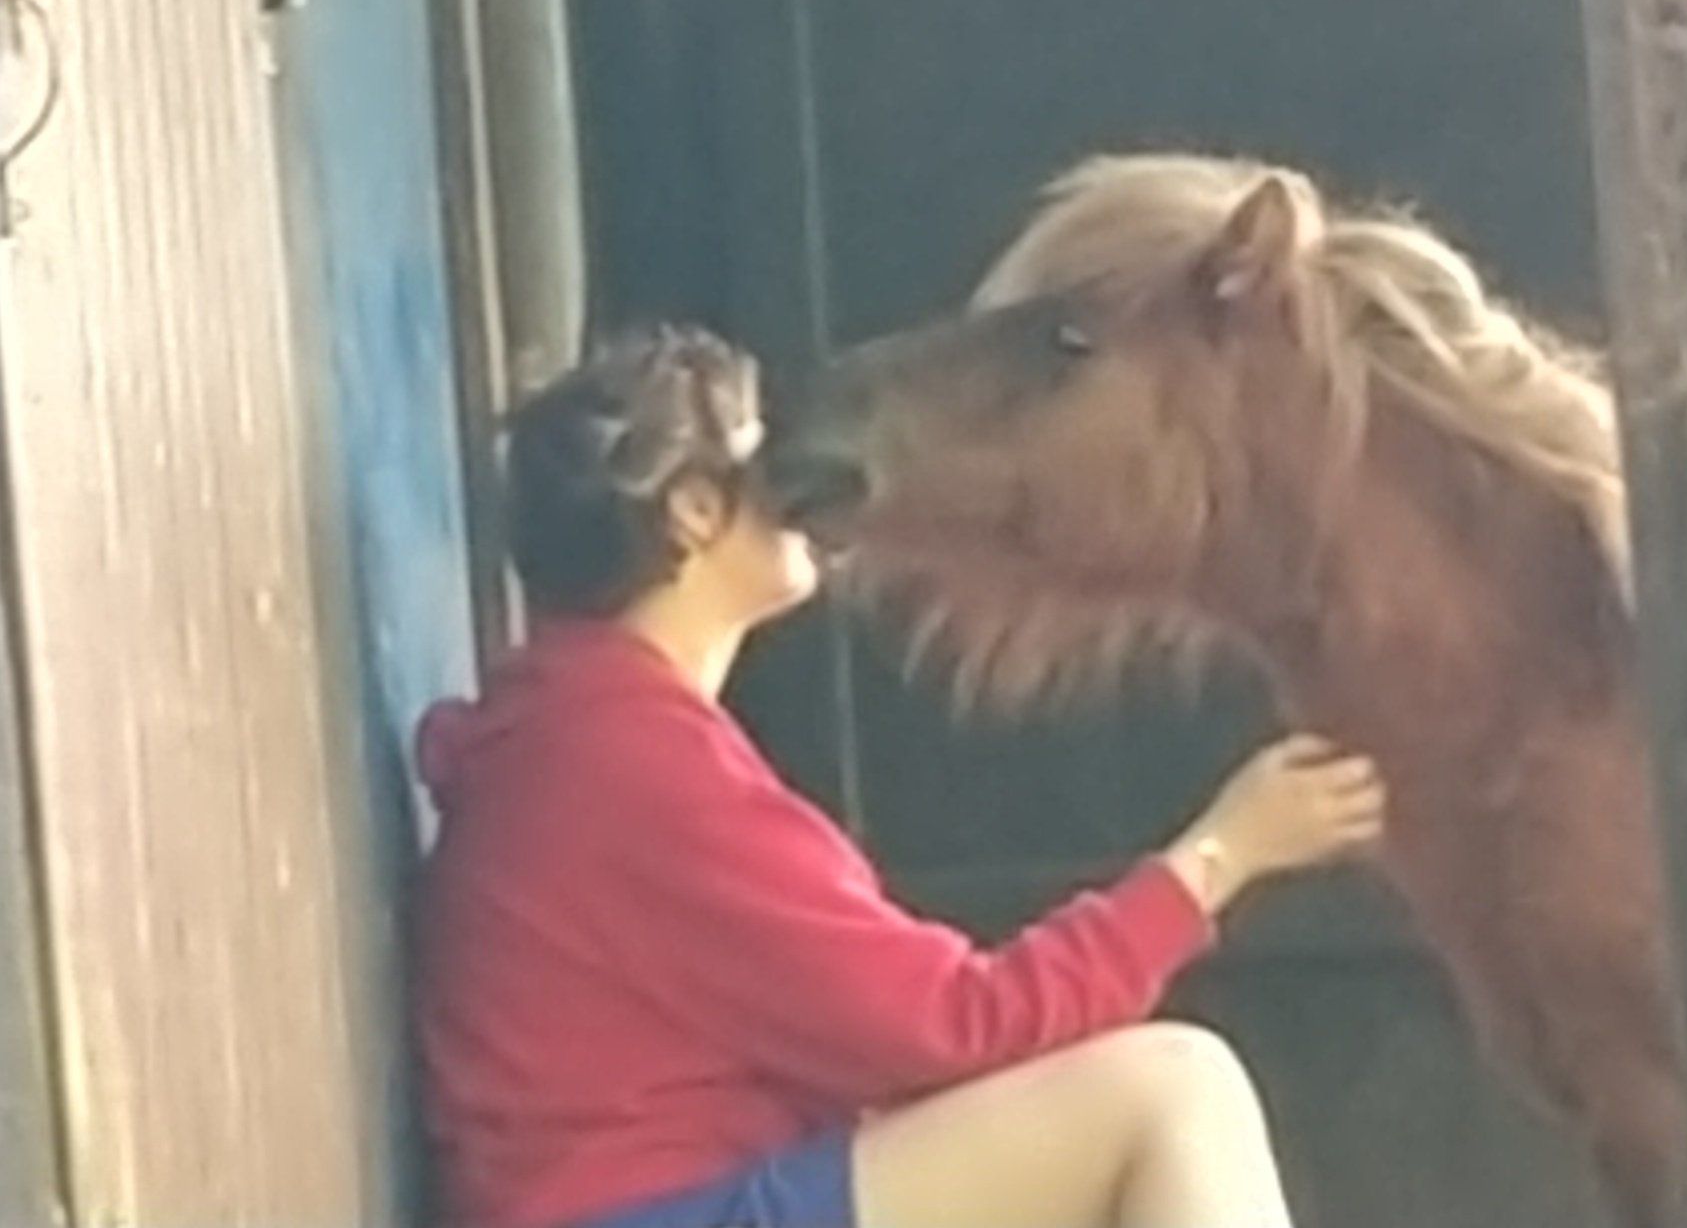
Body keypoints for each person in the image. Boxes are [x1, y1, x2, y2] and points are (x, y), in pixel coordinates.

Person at [414, 323, 1387, 1228]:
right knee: (1177, 1089)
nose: (802, 473)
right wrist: (1221, 856)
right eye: (762, 448)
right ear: (694, 509)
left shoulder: (582, 734)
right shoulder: (635, 762)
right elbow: (955, 1025)